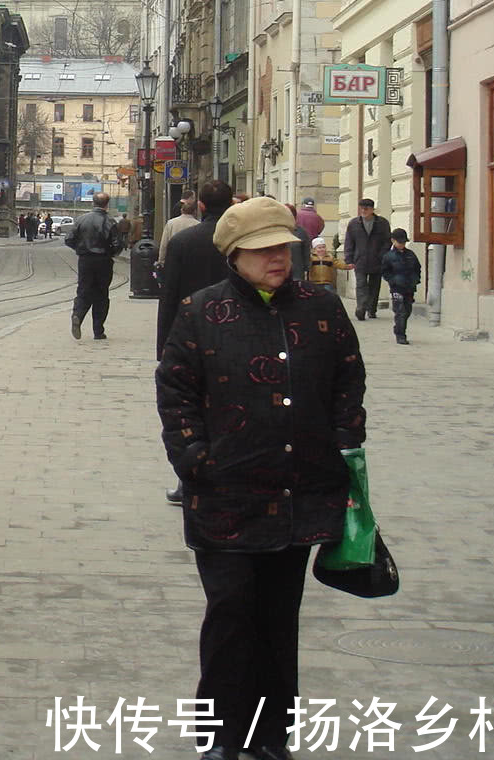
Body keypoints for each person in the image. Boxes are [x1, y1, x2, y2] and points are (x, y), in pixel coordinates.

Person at [155, 197, 367, 760]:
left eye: (284, 247)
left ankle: (272, 736)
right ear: (235, 256)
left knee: (278, 617)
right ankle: (220, 736)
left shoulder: (321, 307)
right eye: (263, 250)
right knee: (229, 614)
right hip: (224, 494)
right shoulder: (202, 312)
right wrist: (195, 458)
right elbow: (174, 391)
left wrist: (345, 440)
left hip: (298, 490)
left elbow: (349, 375)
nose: (279, 258)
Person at [156, 179, 236, 507]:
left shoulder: (184, 242)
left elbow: (169, 295)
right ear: (231, 203)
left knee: (193, 410)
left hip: (191, 336)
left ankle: (189, 480)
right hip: (235, 331)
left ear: (200, 205)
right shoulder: (237, 242)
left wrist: (164, 346)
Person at [66, 193, 126, 340]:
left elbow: (69, 239)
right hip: (103, 261)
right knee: (101, 294)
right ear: (107, 204)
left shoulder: (81, 219)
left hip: (85, 260)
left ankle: (78, 315)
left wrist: (80, 249)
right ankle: (98, 330)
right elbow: (118, 245)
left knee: (83, 290)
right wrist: (109, 253)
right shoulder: (109, 222)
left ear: (93, 203)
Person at [342, 197, 392, 321]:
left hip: (377, 259)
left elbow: (387, 241)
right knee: (361, 285)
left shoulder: (382, 223)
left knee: (374, 286)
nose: (364, 211)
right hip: (360, 259)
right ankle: (361, 308)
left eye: (366, 208)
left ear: (372, 209)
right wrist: (349, 259)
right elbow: (349, 242)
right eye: (362, 208)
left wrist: (383, 254)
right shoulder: (354, 223)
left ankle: (372, 309)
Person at [381, 228, 422, 345]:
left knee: (408, 310)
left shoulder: (410, 254)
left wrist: (415, 279)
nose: (402, 245)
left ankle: (399, 328)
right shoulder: (388, 256)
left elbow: (417, 268)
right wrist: (392, 280)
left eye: (404, 242)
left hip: (409, 287)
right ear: (393, 241)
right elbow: (385, 271)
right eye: (399, 242)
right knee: (400, 311)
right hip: (396, 288)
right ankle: (400, 335)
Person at [157, 196, 201, 266]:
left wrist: (161, 261)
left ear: (181, 210)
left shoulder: (171, 223)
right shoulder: (198, 225)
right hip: (191, 262)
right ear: (194, 212)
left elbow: (164, 244)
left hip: (174, 260)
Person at [285, 204, 312, 282]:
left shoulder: (301, 232)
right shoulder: (277, 231)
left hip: (297, 274)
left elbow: (306, 253)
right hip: (280, 274)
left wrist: (307, 269)